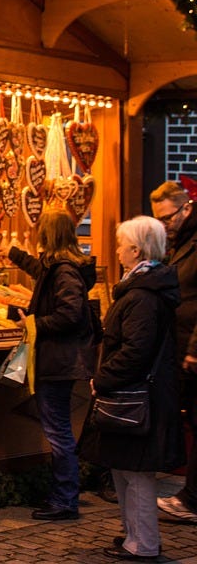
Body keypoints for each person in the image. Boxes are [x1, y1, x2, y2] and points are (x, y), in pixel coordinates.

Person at [79, 215, 185, 562]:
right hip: (134, 395)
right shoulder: (142, 288)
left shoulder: (142, 295)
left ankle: (143, 543)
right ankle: (133, 536)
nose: (118, 250)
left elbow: (135, 351)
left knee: (136, 473)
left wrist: (103, 378)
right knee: (124, 468)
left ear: (136, 250)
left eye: (122, 244)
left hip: (138, 397)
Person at [7, 208, 100, 521]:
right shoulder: (61, 266)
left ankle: (64, 499)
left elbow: (69, 314)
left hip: (59, 361)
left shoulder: (64, 271)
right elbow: (41, 272)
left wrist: (34, 323)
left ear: (47, 235)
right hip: (59, 360)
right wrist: (13, 254)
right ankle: (64, 495)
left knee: (58, 431)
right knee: (58, 428)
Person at [149, 181, 197, 524]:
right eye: (159, 220)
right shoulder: (179, 241)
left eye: (167, 218)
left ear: (187, 208)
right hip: (180, 344)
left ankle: (192, 499)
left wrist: (195, 348)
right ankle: (190, 495)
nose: (164, 225)